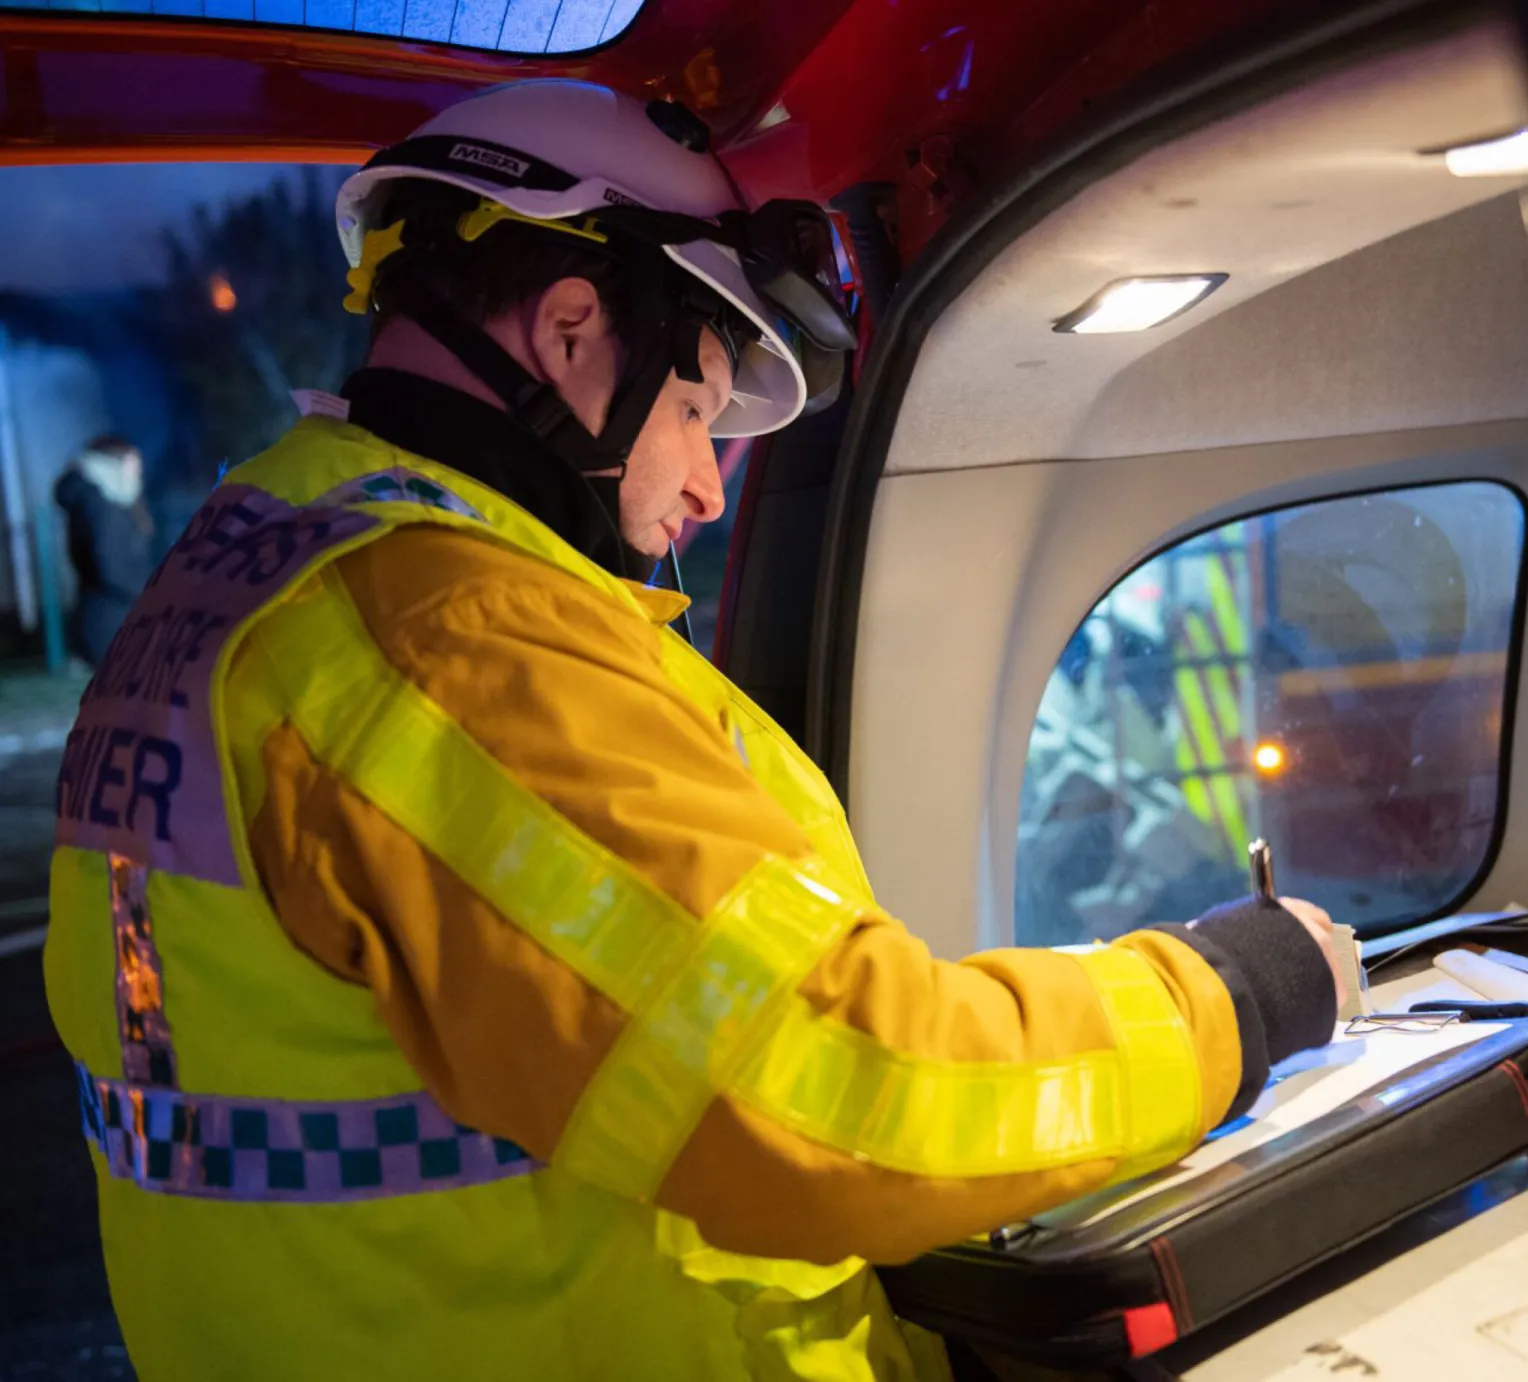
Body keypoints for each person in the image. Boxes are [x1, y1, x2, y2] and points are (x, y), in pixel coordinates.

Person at [43, 80, 1344, 1382]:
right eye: (695, 411)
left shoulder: (248, 572)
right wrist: (1234, 989)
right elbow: (837, 1090)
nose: (716, 486)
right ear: (567, 331)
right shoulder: (451, 641)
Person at [52, 434, 154, 666]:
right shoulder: (101, 503)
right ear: (114, 461)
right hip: (110, 622)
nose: (138, 467)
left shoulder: (112, 500)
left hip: (116, 616)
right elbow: (110, 566)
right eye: (132, 460)